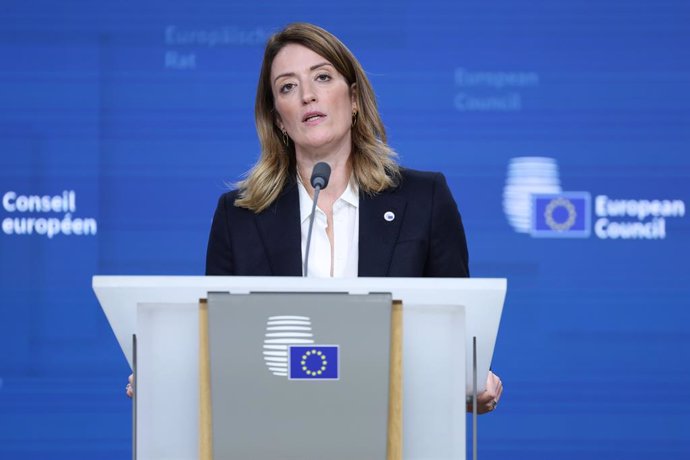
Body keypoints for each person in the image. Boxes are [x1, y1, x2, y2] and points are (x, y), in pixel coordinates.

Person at [133, 22, 502, 413]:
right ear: (278, 118)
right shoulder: (240, 215)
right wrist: (168, 375)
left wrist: (472, 381)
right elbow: (218, 345)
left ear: (354, 97)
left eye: (322, 77)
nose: (308, 95)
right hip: (274, 432)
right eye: (288, 87)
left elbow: (457, 334)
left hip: (395, 430)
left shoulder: (423, 199)